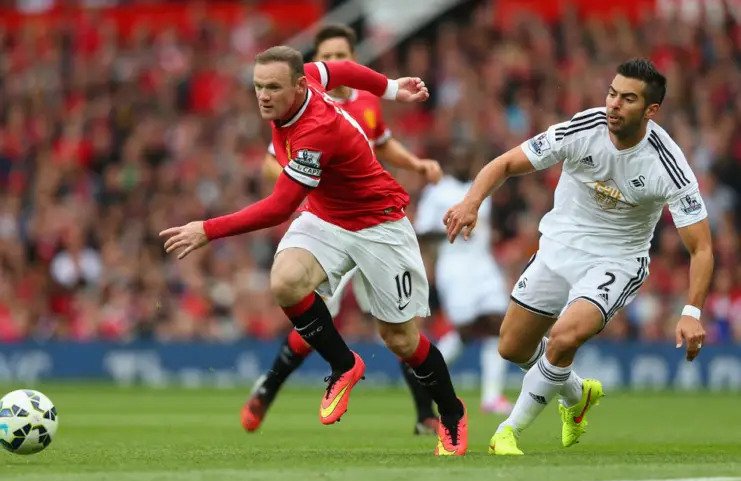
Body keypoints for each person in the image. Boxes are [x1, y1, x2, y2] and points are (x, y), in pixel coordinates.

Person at [160, 45, 467, 456]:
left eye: (273, 87)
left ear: (298, 86)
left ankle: (451, 414)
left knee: (401, 340)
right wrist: (393, 88)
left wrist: (207, 229)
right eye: (257, 87)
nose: (264, 96)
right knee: (285, 281)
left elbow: (279, 208)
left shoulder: (315, 131)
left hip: (379, 224)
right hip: (327, 218)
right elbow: (341, 68)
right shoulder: (307, 77)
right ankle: (344, 365)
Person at [444, 58, 712, 455]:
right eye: (612, 93)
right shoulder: (583, 129)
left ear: (651, 110)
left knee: (564, 337)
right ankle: (577, 394)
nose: (614, 105)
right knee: (512, 347)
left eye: (628, 99)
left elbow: (701, 247)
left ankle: (508, 431)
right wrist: (471, 202)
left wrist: (691, 312)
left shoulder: (667, 164)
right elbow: (505, 163)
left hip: (615, 262)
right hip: (557, 248)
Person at [244, 25, 442, 437]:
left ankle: (426, 413)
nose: (333, 63)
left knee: (398, 329)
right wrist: (300, 179)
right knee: (307, 312)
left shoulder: (366, 104)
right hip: (329, 222)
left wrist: (416, 164)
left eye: (341, 55)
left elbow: (383, 146)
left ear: (350, 59)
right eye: (326, 56)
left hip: (372, 223)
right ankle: (270, 387)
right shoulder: (295, 109)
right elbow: (271, 165)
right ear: (312, 65)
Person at [414, 144, 513, 415]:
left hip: (483, 264)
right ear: (449, 161)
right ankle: (424, 373)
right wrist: (450, 226)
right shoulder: (437, 192)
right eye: (457, 157)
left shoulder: (481, 188)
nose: (462, 163)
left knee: (498, 324)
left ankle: (492, 397)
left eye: (466, 157)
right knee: (467, 331)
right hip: (454, 266)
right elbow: (420, 233)